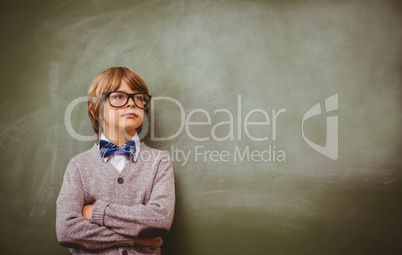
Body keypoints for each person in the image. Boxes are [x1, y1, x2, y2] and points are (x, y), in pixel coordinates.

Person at [56, 67, 175, 255]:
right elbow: (67, 230)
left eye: (139, 97)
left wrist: (95, 212)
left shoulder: (159, 161)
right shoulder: (78, 166)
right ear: (96, 110)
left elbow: (159, 219)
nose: (132, 103)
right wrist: (131, 238)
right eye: (119, 96)